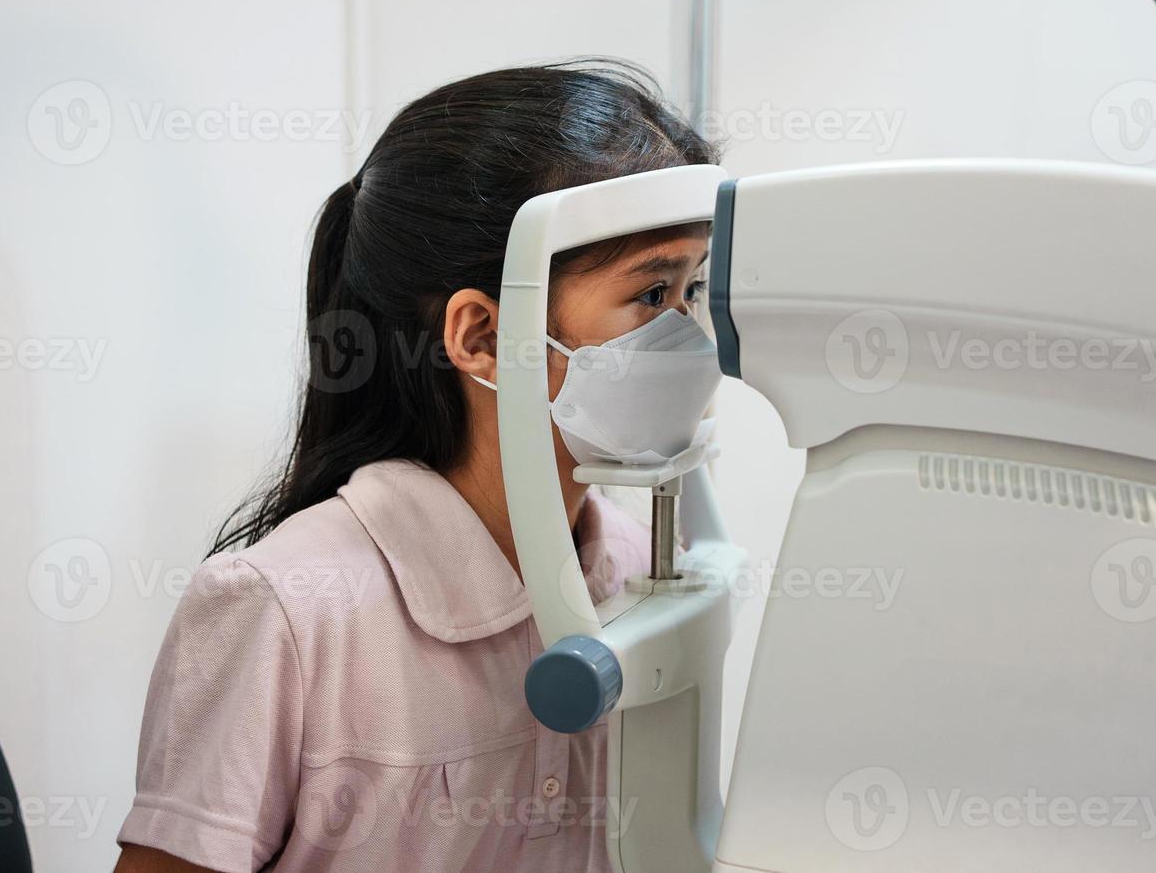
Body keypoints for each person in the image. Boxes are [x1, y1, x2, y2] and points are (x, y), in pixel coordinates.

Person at [113, 60, 719, 872]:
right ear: (480, 338)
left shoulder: (645, 572)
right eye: (651, 295)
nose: (686, 335)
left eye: (693, 290)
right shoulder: (287, 609)